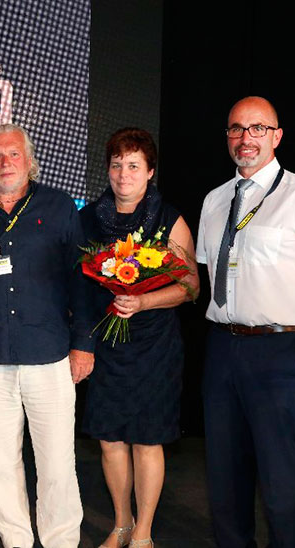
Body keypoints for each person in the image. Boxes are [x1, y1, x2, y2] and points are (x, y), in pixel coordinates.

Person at [0, 124, 95, 548]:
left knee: (57, 462)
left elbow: (81, 280)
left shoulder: (59, 205)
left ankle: (60, 540)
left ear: (30, 161)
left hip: (49, 355)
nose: (5, 163)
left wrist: (83, 344)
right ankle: (15, 540)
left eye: (14, 154)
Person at [79, 128, 199, 548]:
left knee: (147, 440)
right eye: (116, 165)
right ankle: (121, 523)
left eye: (133, 165)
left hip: (154, 346)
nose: (123, 174)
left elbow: (190, 286)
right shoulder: (88, 219)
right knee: (110, 439)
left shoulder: (169, 218)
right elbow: (77, 284)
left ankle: (143, 532)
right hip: (107, 344)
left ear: (150, 172)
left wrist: (144, 301)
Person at [197, 96, 295, 547]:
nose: (245, 138)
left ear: (277, 136)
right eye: (236, 128)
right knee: (225, 479)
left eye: (258, 128)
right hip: (222, 347)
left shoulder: (293, 195)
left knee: (282, 480)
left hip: (279, 352)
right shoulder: (215, 200)